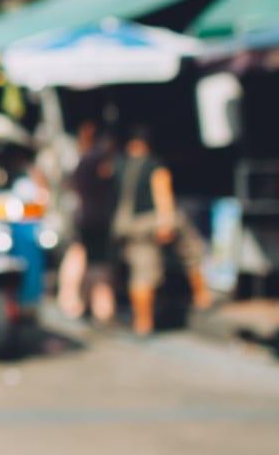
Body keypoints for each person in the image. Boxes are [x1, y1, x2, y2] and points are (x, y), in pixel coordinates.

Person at [111, 124, 213, 336]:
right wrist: (166, 221)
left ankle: (142, 323)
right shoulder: (154, 165)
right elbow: (163, 192)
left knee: (141, 272)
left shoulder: (118, 165)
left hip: (127, 227)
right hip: (151, 221)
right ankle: (201, 295)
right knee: (191, 251)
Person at [58, 121, 117, 324]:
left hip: (84, 217)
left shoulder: (81, 160)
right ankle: (96, 306)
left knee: (85, 259)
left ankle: (81, 302)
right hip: (95, 218)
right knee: (93, 262)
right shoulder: (96, 159)